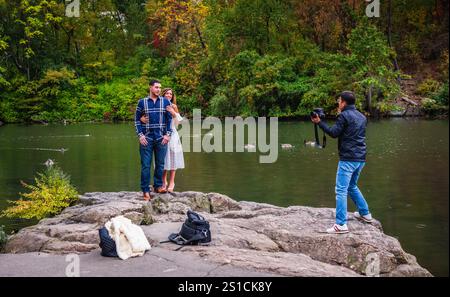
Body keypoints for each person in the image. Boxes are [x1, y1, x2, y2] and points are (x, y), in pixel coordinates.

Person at [311, 91, 373, 234]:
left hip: (348, 159)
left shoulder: (344, 115)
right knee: (352, 186)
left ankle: (340, 224)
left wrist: (319, 122)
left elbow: (334, 133)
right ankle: (365, 213)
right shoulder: (362, 116)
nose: (338, 103)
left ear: (344, 102)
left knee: (341, 190)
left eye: (339, 101)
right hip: (360, 158)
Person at [134, 80, 172, 201]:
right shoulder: (142, 102)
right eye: (156, 87)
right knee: (146, 165)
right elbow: (136, 120)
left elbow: (169, 120)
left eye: (160, 88)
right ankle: (145, 190)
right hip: (147, 139)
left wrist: (168, 135)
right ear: (150, 87)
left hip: (161, 138)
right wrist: (140, 135)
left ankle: (158, 186)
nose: (158, 90)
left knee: (160, 164)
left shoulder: (165, 101)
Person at [141, 88, 184, 193]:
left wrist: (173, 112)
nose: (169, 95)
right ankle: (163, 181)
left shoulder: (173, 106)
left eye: (171, 94)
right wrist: (142, 120)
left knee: (173, 158)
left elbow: (178, 123)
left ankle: (172, 182)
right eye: (167, 93)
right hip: (160, 135)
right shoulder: (158, 104)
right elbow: (145, 118)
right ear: (163, 95)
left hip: (172, 135)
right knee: (162, 159)